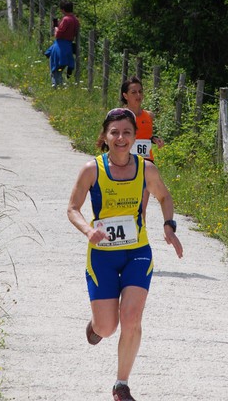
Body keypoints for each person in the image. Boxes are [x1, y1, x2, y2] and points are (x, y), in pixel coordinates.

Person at [67, 108, 183, 401]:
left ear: (134, 137)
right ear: (105, 137)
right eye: (114, 132)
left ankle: (121, 384)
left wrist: (169, 226)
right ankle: (96, 326)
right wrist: (87, 230)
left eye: (127, 133)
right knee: (108, 327)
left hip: (137, 253)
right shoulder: (91, 169)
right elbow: (72, 208)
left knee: (131, 318)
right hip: (102, 255)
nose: (121, 138)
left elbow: (165, 197)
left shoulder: (146, 169)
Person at [121, 76, 165, 218]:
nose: (138, 95)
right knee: (125, 205)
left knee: (141, 208)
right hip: (125, 163)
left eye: (140, 92)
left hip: (146, 163)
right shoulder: (121, 115)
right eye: (133, 92)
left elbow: (145, 136)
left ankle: (140, 237)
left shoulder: (149, 116)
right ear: (125, 95)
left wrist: (154, 139)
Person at [44, 0, 80, 87]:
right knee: (61, 69)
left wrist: (55, 27)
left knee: (55, 69)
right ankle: (60, 86)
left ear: (63, 9)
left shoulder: (66, 19)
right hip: (68, 45)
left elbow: (58, 34)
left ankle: (56, 86)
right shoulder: (75, 20)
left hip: (60, 46)